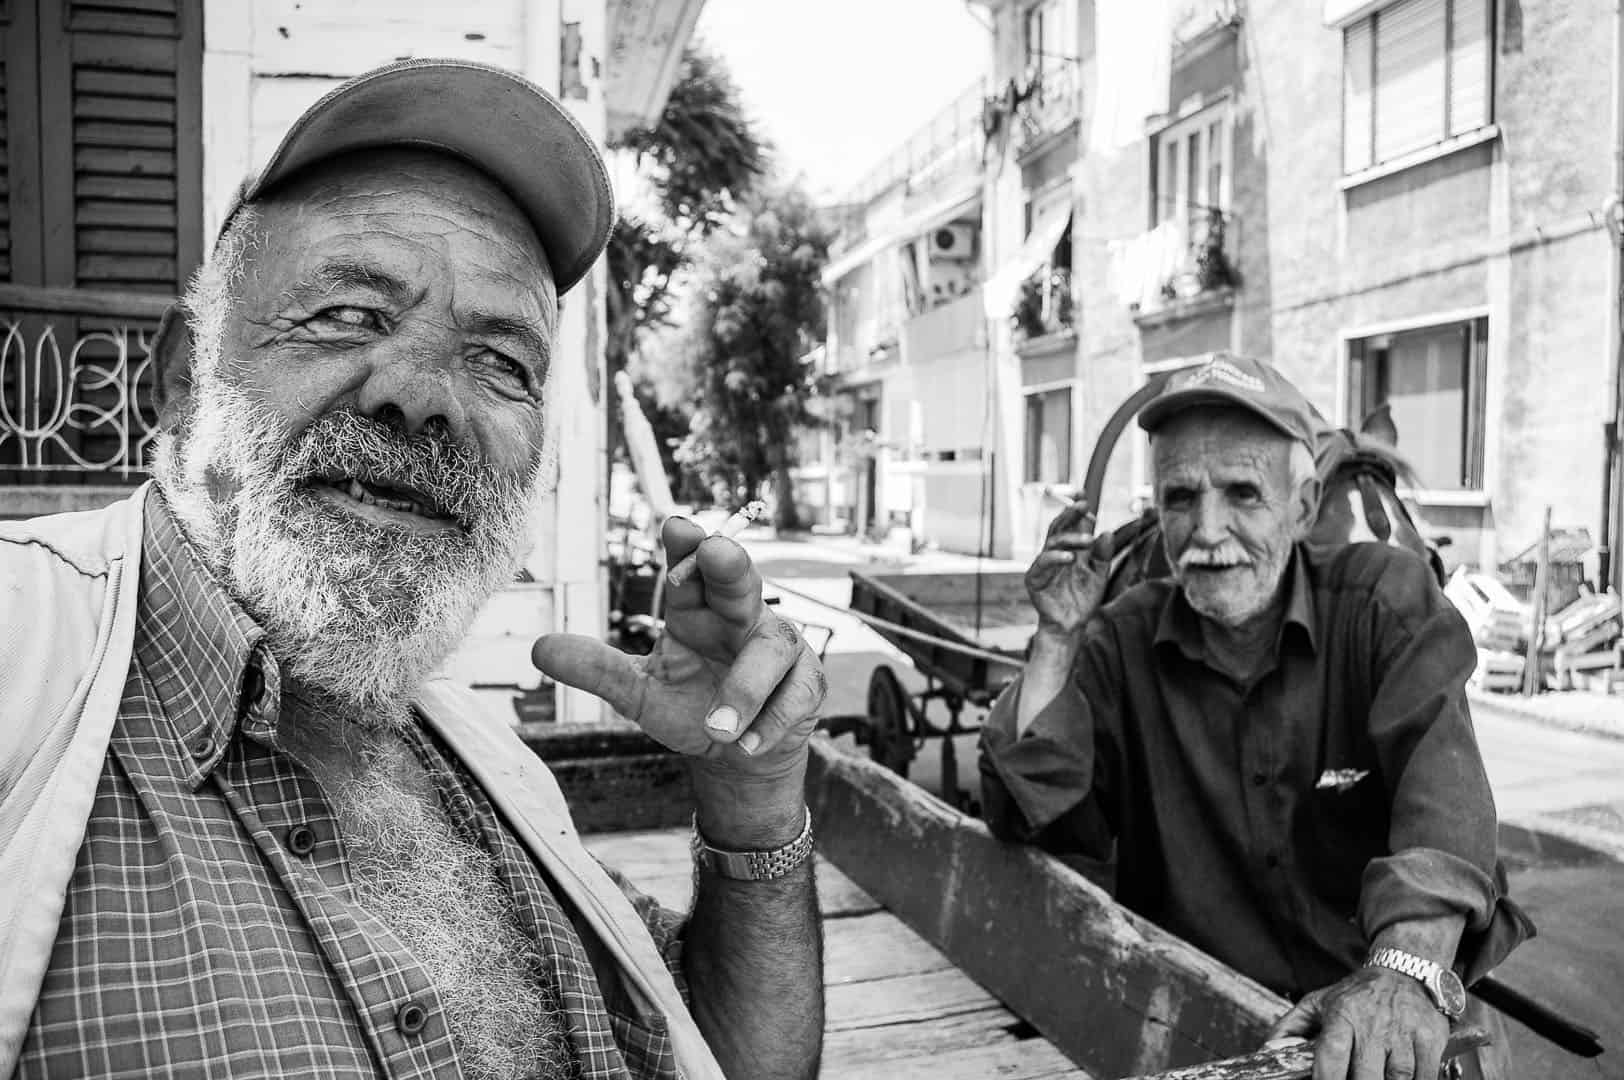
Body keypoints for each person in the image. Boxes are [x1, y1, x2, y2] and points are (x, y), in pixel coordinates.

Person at [0, 60, 825, 1080]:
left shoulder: (492, 766)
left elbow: (734, 1057)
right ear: (183, 378)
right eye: (348, 313)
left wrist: (751, 804)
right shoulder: (22, 653)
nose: (424, 397)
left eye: (501, 363)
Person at [977, 354, 1531, 1080]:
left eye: (1243, 493)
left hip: (1385, 1018)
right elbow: (1031, 818)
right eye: (1181, 498)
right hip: (1201, 1034)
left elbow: (1447, 806)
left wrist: (1401, 970)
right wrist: (1055, 637)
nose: (1207, 531)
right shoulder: (1119, 639)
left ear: (1302, 508)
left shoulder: (1383, 604)